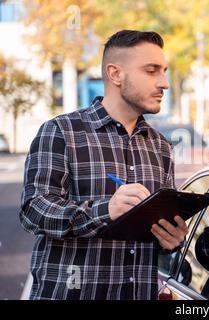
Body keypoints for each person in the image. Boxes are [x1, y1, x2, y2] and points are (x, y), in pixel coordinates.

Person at [19, 30, 188, 300]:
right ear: (115, 74)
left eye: (164, 71)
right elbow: (33, 210)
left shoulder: (161, 147)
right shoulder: (61, 132)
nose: (164, 83)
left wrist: (171, 239)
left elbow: (158, 228)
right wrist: (105, 210)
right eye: (152, 70)